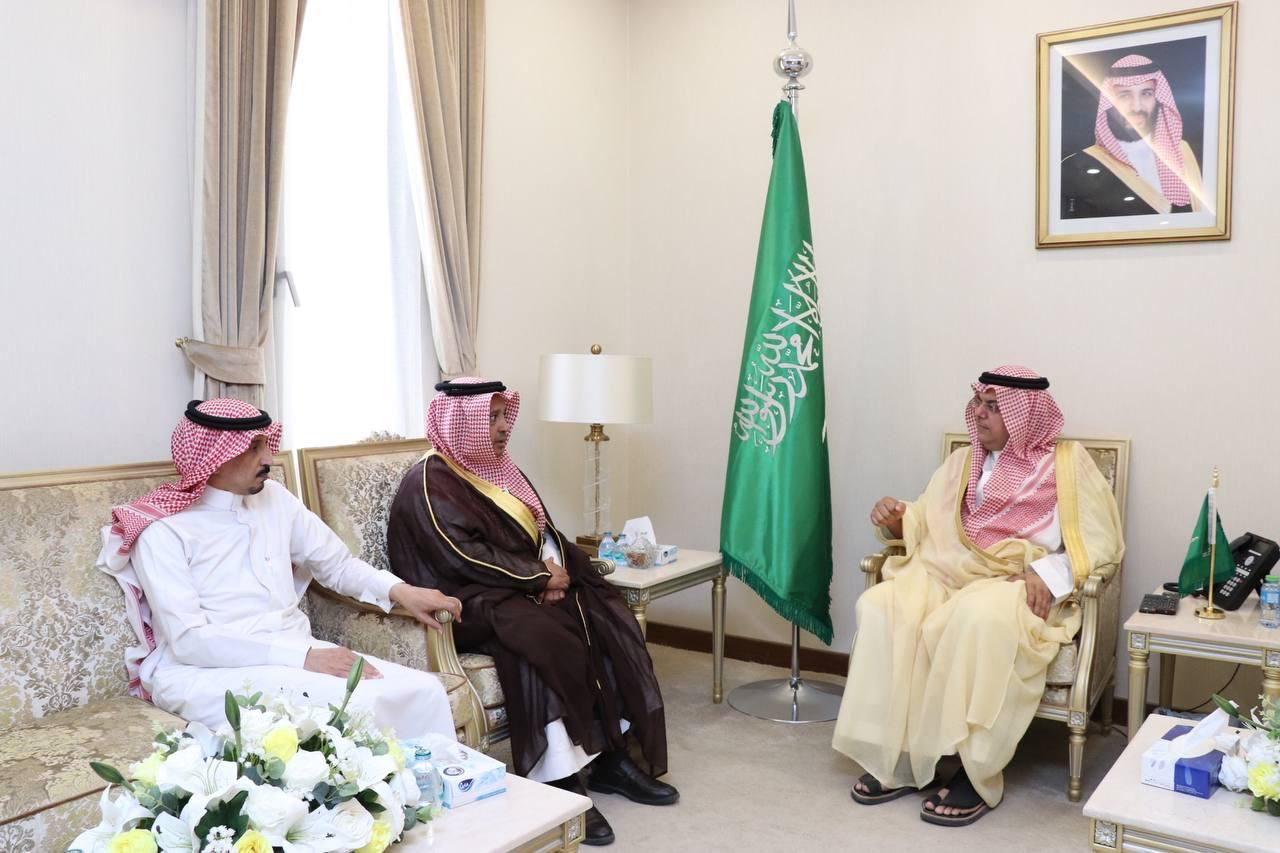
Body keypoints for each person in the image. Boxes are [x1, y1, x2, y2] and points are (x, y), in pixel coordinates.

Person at [387, 378, 677, 847]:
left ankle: (610, 756)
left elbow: (540, 531)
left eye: (505, 416)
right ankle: (560, 779)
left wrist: (555, 571)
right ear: (461, 423)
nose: (505, 427)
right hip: (459, 600)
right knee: (539, 637)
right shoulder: (429, 481)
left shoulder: (499, 469)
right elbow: (462, 556)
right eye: (492, 418)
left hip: (512, 586)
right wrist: (538, 580)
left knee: (601, 611)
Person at [832, 366, 1124, 827]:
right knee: (881, 606)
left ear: (1024, 415)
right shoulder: (963, 462)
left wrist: (1047, 574)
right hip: (948, 572)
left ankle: (975, 771)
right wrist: (898, 518)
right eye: (978, 404)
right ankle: (904, 760)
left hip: (1013, 582)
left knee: (976, 616)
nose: (980, 414)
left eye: (993, 407)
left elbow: (1100, 543)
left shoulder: (1068, 465)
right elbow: (928, 519)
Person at [97, 398, 462, 742]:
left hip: (297, 652)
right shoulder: (162, 529)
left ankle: (447, 787)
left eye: (266, 443)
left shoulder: (274, 499)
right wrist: (303, 658)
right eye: (253, 447)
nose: (268, 457)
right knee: (358, 706)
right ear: (214, 457)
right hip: (206, 672)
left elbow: (336, 564)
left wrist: (401, 592)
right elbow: (190, 640)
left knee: (423, 690)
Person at [1060, 53, 1205, 218]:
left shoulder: (1189, 153)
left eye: (1146, 93)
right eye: (1124, 95)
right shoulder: (1077, 166)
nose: (1136, 107)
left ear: (1158, 98)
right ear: (1109, 102)